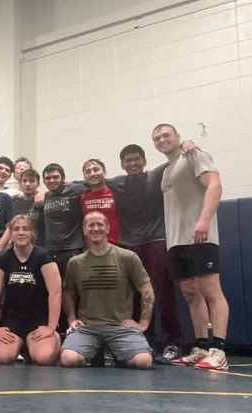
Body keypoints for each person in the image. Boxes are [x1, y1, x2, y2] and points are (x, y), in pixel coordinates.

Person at [153, 123, 229, 370]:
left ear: (178, 137)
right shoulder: (166, 171)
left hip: (199, 237)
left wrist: (204, 220)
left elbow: (215, 185)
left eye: (166, 135)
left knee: (211, 291)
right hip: (176, 242)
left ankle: (219, 350)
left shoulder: (194, 155)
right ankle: (201, 347)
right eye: (157, 137)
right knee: (191, 295)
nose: (162, 139)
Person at [106, 144, 183, 362]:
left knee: (163, 294)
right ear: (122, 164)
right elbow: (86, 181)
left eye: (136, 159)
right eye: (128, 161)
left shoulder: (156, 175)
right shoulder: (117, 183)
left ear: (144, 160)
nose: (132, 164)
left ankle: (173, 342)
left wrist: (185, 144)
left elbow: (177, 158)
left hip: (156, 241)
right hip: (129, 245)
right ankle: (143, 341)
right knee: (135, 296)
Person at [60, 212, 155, 370]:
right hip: (88, 328)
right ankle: (94, 352)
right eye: (91, 225)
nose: (95, 228)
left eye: (100, 224)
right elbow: (68, 292)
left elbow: (146, 289)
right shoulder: (75, 262)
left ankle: (118, 354)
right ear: (84, 230)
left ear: (108, 228)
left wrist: (143, 323)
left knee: (143, 361)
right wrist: (71, 319)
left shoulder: (127, 257)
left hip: (121, 328)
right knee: (68, 359)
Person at [0, 215, 61, 365]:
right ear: (11, 233)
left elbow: (55, 293)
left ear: (32, 233)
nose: (21, 232)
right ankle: (23, 345)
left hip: (38, 318)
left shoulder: (44, 257)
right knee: (2, 358)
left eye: (25, 229)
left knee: (44, 358)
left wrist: (51, 327)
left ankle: (53, 339)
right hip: (12, 318)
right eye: (16, 229)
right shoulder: (2, 260)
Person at [40, 163, 87, 277]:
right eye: (48, 178)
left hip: (72, 249)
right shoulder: (44, 197)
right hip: (50, 250)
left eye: (55, 177)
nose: (51, 180)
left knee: (72, 287)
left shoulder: (75, 190)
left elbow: (93, 181)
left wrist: (75, 182)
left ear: (63, 178)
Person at [0, 168, 45, 259]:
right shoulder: (13, 202)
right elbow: (10, 228)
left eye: (31, 181)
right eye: (24, 181)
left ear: (38, 184)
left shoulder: (43, 200)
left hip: (40, 249)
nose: (27, 184)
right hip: (17, 250)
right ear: (20, 184)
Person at [80, 159, 121, 245]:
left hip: (118, 246)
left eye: (96, 170)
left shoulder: (116, 192)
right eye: (88, 172)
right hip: (93, 247)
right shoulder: (83, 197)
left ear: (104, 172)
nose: (92, 174)